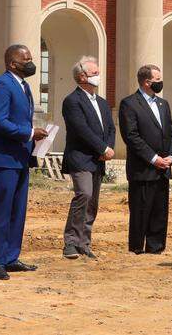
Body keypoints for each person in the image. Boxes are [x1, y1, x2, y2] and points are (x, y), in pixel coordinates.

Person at [0, 43, 49, 280]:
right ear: (13, 63)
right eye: (27, 59)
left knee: (18, 210)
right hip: (3, 159)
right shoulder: (2, 85)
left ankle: (11, 257)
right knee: (2, 209)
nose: (31, 63)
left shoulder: (24, 86)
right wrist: (30, 133)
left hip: (20, 158)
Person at [60, 56, 116, 260]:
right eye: (94, 73)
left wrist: (109, 148)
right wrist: (102, 148)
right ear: (82, 76)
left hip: (99, 160)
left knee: (93, 202)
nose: (98, 76)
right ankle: (71, 242)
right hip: (81, 158)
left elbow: (110, 128)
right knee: (83, 195)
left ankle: (85, 242)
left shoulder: (101, 102)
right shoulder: (72, 101)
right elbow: (80, 129)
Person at [118, 64, 172, 254]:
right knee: (140, 211)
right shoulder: (129, 103)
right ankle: (136, 248)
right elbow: (131, 136)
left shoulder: (163, 104)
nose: (160, 83)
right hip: (142, 169)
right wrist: (153, 158)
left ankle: (156, 248)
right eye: (157, 80)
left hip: (163, 168)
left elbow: (171, 133)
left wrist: (171, 156)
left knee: (160, 211)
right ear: (146, 82)